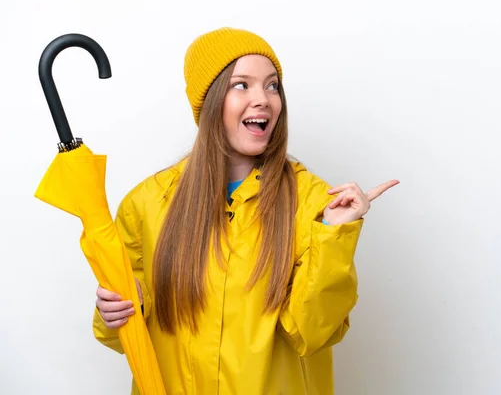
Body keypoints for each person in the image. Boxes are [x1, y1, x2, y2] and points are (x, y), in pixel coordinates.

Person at [92, 27, 398, 395]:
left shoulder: (314, 201)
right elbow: (130, 336)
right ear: (209, 101)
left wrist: (333, 235)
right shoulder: (147, 204)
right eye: (243, 85)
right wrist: (116, 314)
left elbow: (310, 332)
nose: (264, 99)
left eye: (272, 86)